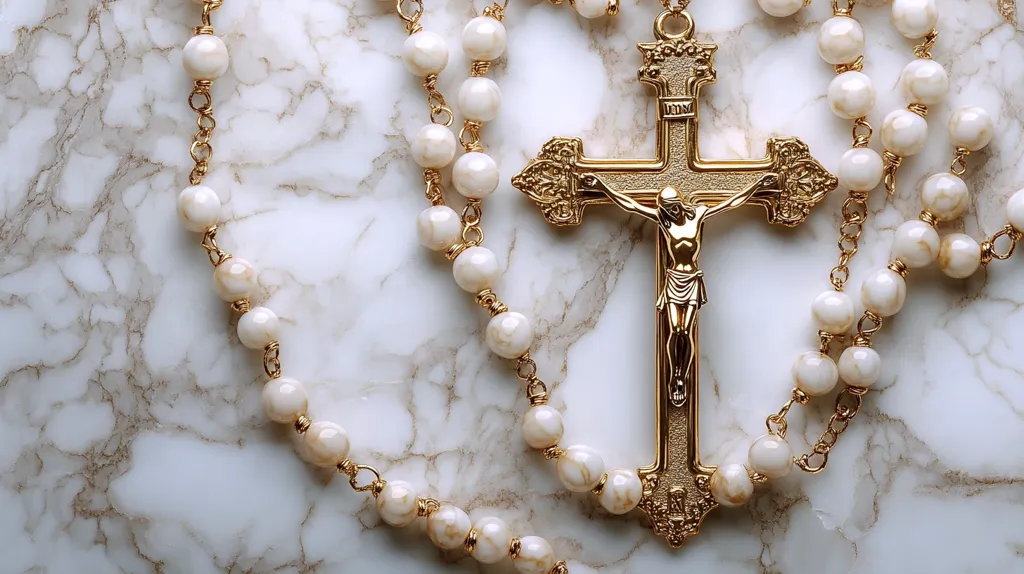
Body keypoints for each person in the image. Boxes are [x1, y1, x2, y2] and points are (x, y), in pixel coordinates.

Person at [586, 173, 778, 406]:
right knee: (675, 329)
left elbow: (732, 202)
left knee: (685, 331)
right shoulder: (663, 221)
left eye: (672, 206)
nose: (670, 211)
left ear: (679, 203)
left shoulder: (697, 215)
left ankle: (681, 376)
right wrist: (603, 187)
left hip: (692, 280)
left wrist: (757, 185)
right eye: (666, 208)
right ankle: (674, 374)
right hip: (674, 279)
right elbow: (630, 204)